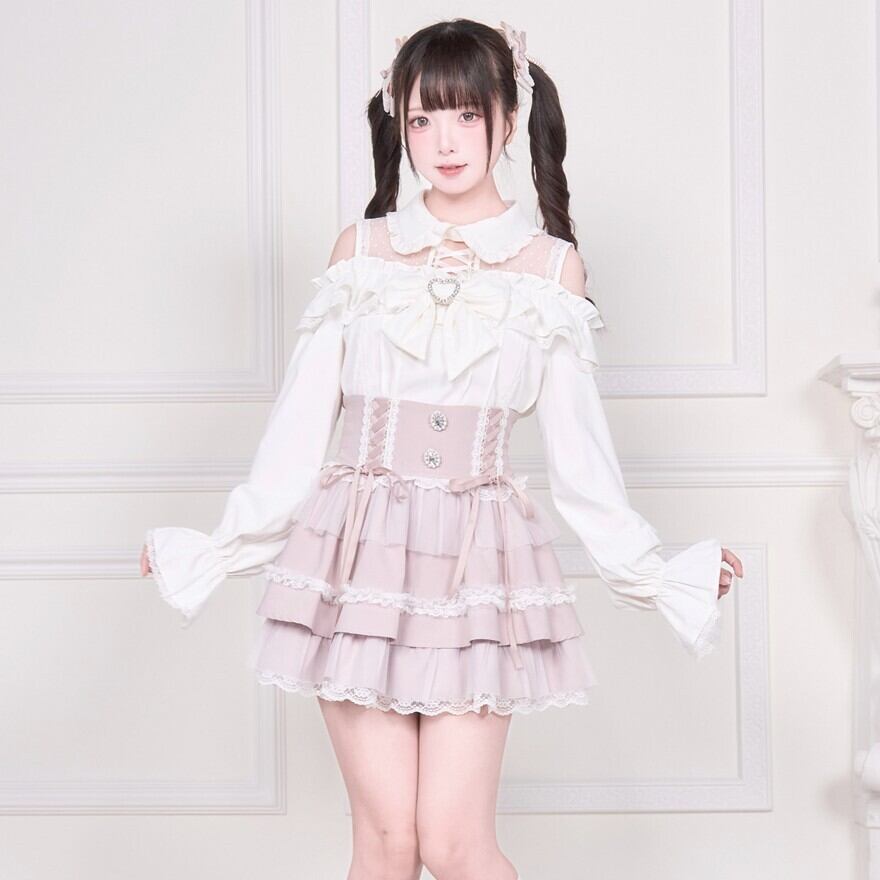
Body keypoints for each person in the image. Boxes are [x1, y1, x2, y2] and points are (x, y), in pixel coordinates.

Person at [140, 18, 743, 880]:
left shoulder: (549, 271)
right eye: (422, 119)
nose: (445, 141)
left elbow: (582, 461)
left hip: (478, 568)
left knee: (457, 846)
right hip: (353, 562)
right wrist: (215, 549)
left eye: (465, 114)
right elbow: (296, 433)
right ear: (400, 124)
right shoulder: (361, 254)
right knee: (386, 844)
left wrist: (657, 573)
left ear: (508, 116)